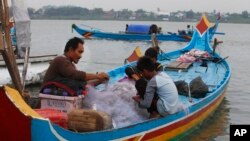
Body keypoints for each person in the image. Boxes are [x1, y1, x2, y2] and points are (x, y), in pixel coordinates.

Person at [42, 37, 109, 96]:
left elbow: (82, 83)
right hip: (48, 95)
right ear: (71, 49)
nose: (80, 56)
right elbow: (76, 75)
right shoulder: (60, 60)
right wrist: (97, 76)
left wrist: (100, 80)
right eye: (79, 52)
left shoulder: (70, 64)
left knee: (78, 84)